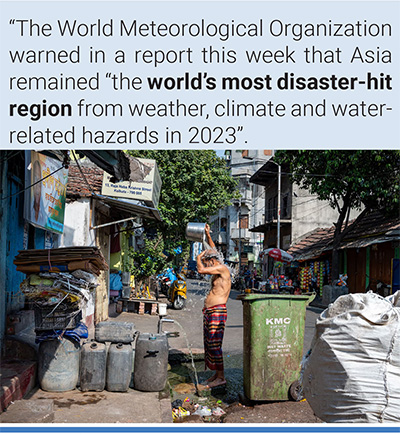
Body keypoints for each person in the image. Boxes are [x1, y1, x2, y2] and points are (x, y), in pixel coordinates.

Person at [196, 224, 231, 389]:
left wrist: (198, 259)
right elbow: (213, 250)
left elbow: (201, 270)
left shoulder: (222, 268)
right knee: (209, 343)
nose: (207, 264)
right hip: (210, 311)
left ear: (212, 261)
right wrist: (208, 234)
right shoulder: (217, 264)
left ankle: (221, 377)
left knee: (215, 344)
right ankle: (216, 374)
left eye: (207, 261)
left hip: (217, 310)